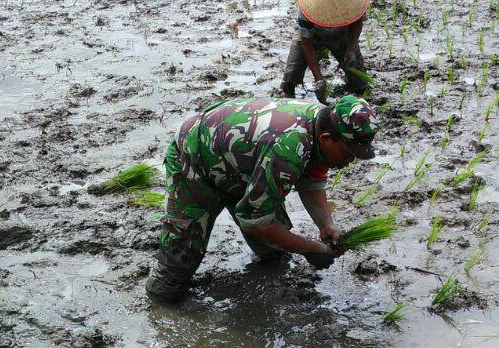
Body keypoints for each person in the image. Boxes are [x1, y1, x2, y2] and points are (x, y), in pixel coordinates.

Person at [146, 95, 379, 304]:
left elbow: (312, 179)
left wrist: (325, 223)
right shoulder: (288, 148)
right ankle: (160, 308)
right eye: (348, 153)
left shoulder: (324, 123)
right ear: (326, 138)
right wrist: (309, 248)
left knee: (275, 252)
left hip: (243, 164)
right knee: (174, 273)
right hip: (195, 157)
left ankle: (262, 295)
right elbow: (255, 223)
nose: (350, 161)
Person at [280, 0, 370, 103]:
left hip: (341, 36)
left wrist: (351, 48)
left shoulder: (353, 1)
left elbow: (357, 23)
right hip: (313, 37)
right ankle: (290, 100)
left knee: (360, 82)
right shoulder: (307, 7)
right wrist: (319, 79)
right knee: (290, 76)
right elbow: (306, 43)